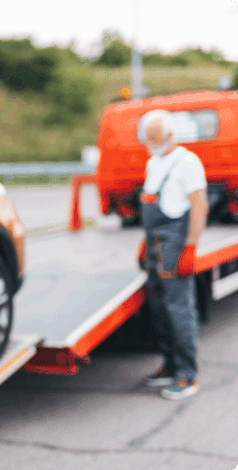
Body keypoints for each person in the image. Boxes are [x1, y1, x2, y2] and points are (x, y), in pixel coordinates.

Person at [136, 109, 208, 400]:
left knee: (178, 308)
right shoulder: (153, 162)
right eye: (148, 139)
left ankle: (187, 375)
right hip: (154, 241)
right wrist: (145, 242)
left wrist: (191, 245)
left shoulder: (188, 162)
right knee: (158, 305)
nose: (153, 143)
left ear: (170, 134)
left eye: (157, 138)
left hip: (175, 242)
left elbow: (199, 205)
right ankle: (169, 364)